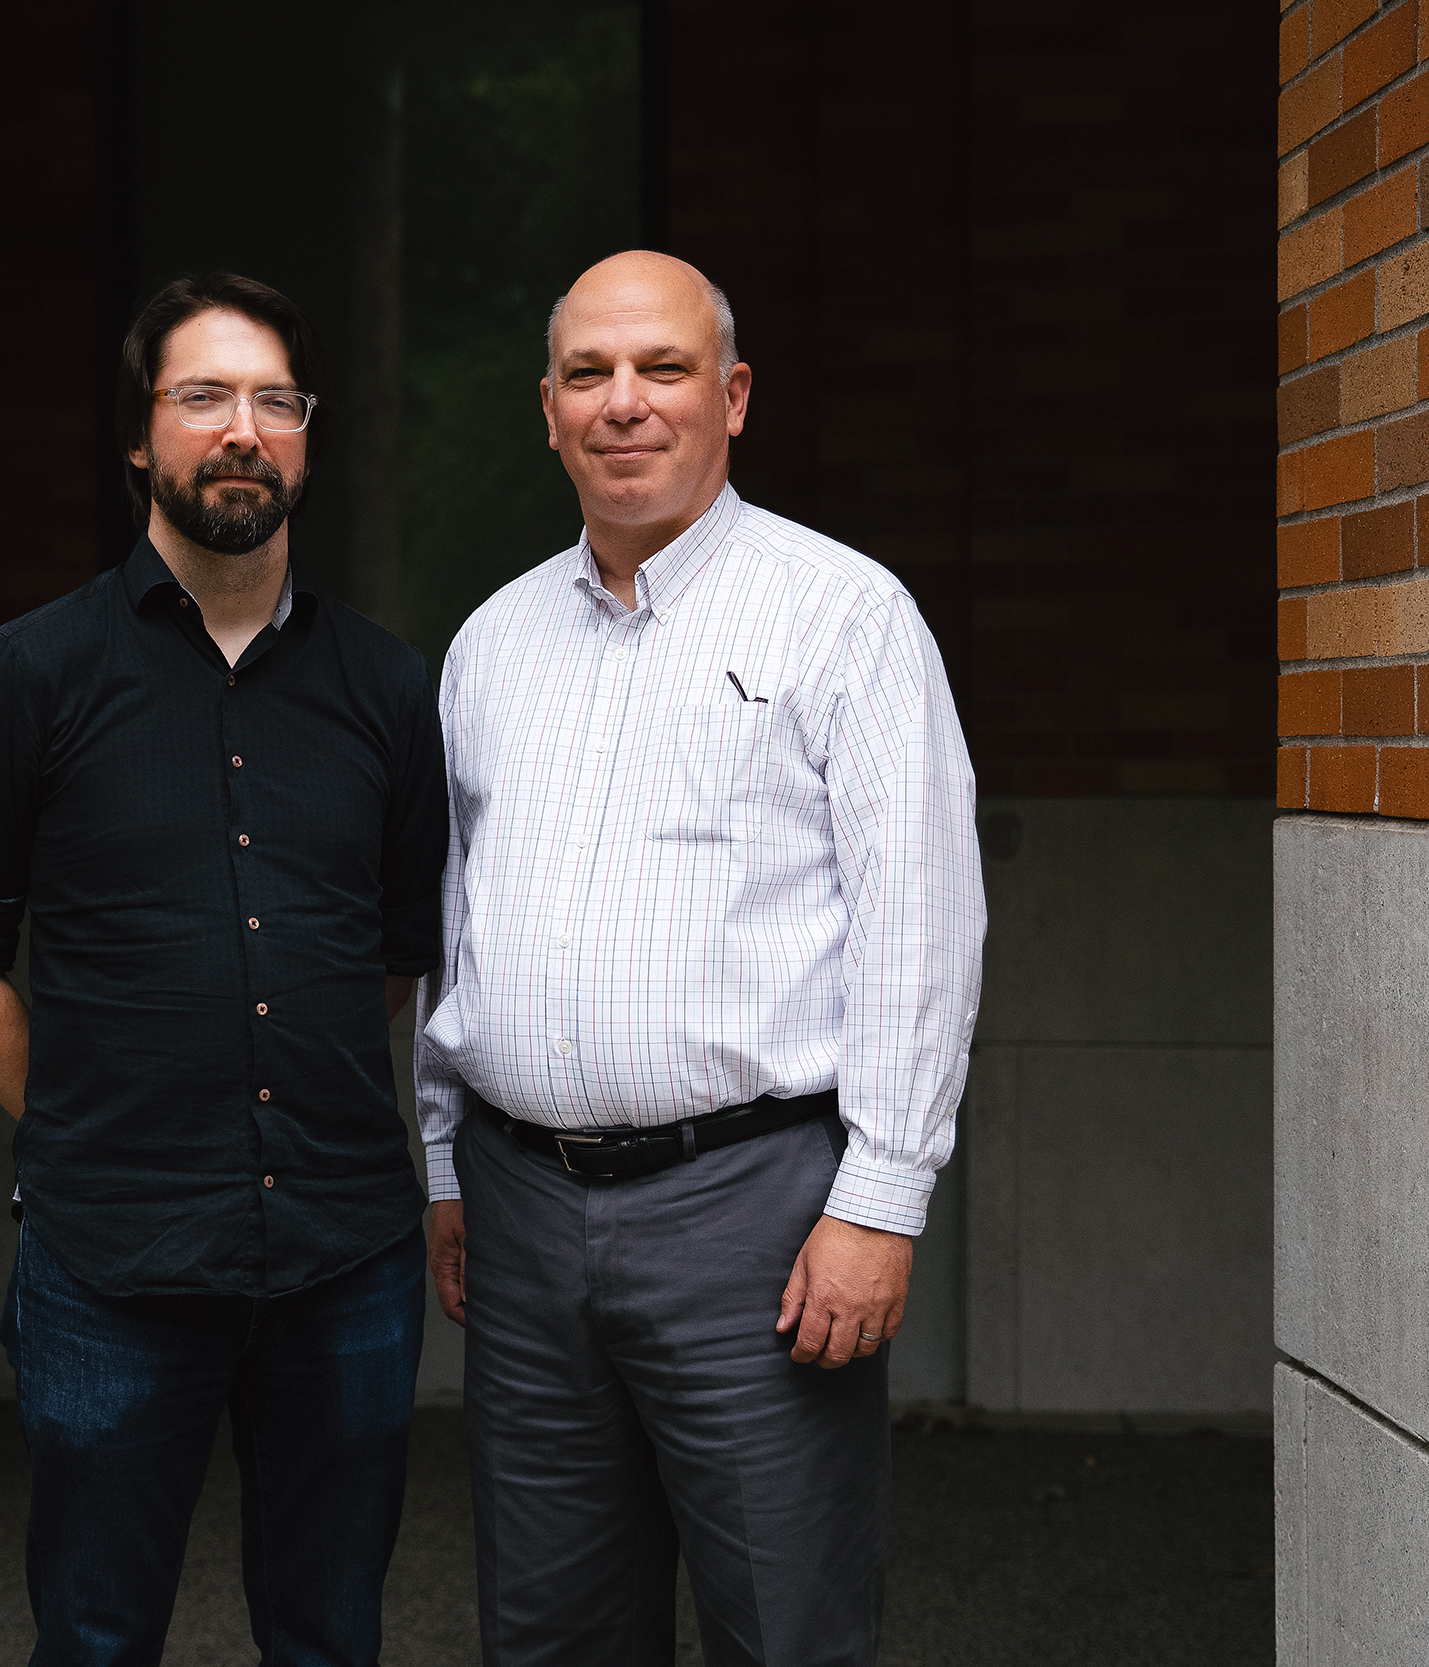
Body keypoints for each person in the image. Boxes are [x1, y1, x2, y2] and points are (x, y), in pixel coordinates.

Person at [416, 250, 985, 1667]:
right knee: (549, 1633)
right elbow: (453, 928)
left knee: (781, 1627)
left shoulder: (843, 615)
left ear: (732, 397)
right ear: (545, 410)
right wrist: (440, 1163)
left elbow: (922, 919)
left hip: (758, 1217)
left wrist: (883, 1198)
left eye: (662, 370)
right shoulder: (490, 644)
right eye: (589, 375)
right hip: (520, 1209)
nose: (626, 405)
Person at [0, 272, 447, 1667]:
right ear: (139, 438)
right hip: (109, 1258)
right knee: (94, 1636)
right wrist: (93, 1123)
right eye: (203, 396)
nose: (242, 431)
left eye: (277, 401)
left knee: (329, 1635)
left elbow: (392, 955)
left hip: (345, 1255)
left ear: (309, 442)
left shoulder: (389, 691)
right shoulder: (30, 677)